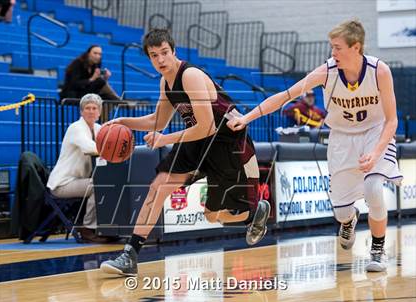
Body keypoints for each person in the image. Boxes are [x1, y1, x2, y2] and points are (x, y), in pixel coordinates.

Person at [227, 20, 402, 272]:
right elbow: (285, 96)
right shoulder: (327, 72)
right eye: (331, 48)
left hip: (375, 133)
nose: (332, 53)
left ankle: (377, 250)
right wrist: (246, 117)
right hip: (341, 138)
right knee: (341, 212)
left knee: (374, 187)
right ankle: (348, 220)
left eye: (337, 48)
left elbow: (392, 120)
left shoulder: (380, 71)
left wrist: (376, 153)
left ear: (356, 47)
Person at [100, 29, 270, 276]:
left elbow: (207, 126)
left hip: (225, 142)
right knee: (157, 187)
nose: (160, 60)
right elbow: (158, 121)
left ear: (174, 51)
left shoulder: (189, 75)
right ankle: (130, 255)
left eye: (164, 53)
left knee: (212, 216)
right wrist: (123, 122)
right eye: (154, 55)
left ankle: (253, 213)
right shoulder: (165, 82)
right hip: (197, 140)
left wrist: (164, 140)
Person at [47, 93, 111, 243]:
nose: (91, 111)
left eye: (94, 108)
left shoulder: (98, 128)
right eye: (87, 108)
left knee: (110, 184)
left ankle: (106, 228)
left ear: (99, 112)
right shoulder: (76, 128)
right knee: (99, 185)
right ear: (81, 112)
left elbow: (107, 146)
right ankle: (87, 228)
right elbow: (91, 147)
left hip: (78, 181)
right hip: (62, 184)